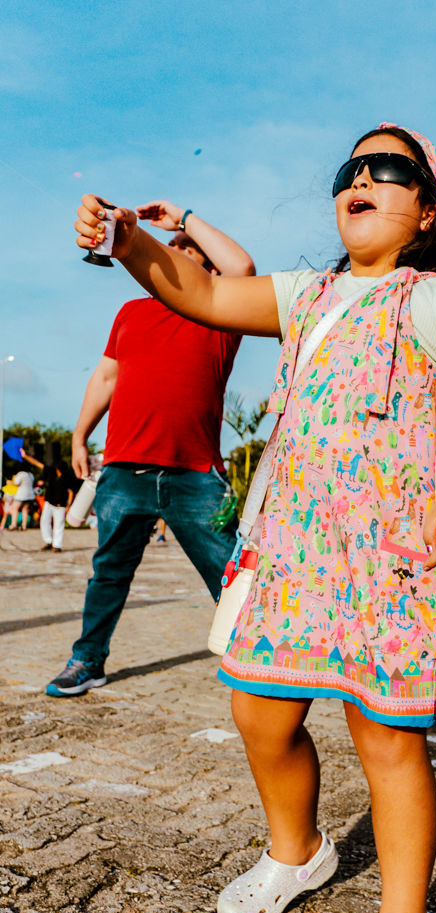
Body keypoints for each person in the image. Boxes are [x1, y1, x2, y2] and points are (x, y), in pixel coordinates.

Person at [74, 122, 436, 913]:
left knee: (386, 738)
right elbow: (201, 290)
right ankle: (298, 850)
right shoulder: (306, 294)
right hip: (292, 548)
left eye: (387, 169)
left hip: (395, 558)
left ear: (428, 210)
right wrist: (127, 241)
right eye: (351, 168)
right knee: (260, 713)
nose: (360, 180)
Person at [46, 201, 255, 698]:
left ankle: (257, 659)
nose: (174, 251)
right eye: (172, 246)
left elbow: (243, 269)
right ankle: (87, 660)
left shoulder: (222, 311)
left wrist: (184, 220)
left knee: (231, 576)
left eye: (187, 249)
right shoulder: (131, 312)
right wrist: (79, 435)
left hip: (195, 472)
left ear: (208, 268)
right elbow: (106, 376)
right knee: (108, 573)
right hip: (124, 469)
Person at [22, 451, 74, 551]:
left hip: (60, 505)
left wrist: (69, 505)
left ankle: (57, 545)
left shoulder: (68, 477)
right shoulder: (51, 471)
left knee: (59, 524)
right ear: (57, 469)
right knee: (44, 521)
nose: (60, 473)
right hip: (49, 502)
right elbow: (37, 463)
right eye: (59, 471)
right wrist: (25, 456)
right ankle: (48, 541)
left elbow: (71, 491)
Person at [9, 463, 35, 530]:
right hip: (29, 495)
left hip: (20, 495)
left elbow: (16, 483)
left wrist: (10, 482)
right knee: (25, 510)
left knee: (15, 509)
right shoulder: (31, 475)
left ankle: (13, 524)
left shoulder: (21, 474)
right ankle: (24, 526)